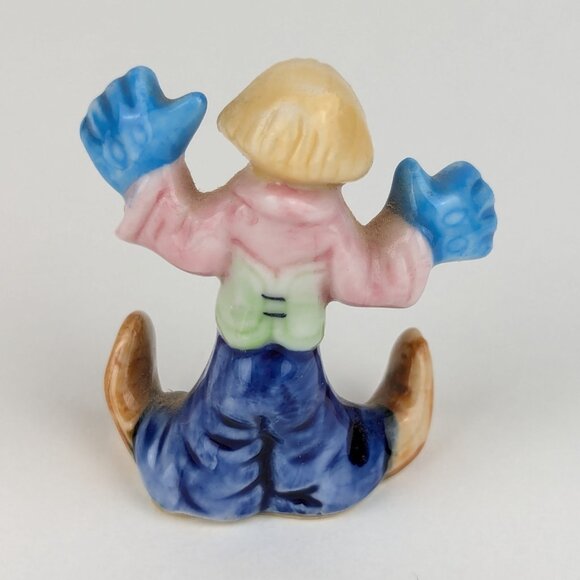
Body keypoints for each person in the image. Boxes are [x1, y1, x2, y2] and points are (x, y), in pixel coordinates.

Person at [81, 59, 497, 520]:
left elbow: (370, 276)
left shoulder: (327, 230)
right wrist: (144, 169)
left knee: (298, 440)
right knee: (228, 432)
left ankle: (300, 473)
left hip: (294, 371)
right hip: (239, 362)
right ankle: (224, 473)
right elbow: (186, 235)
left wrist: (426, 234)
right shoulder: (240, 213)